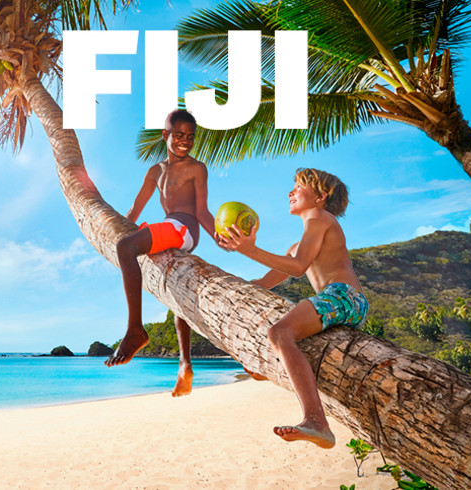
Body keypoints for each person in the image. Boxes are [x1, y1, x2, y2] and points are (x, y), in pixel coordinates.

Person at [218, 168, 368, 448]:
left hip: (344, 296)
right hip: (343, 303)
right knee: (281, 333)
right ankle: (267, 366)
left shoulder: (319, 217)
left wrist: (249, 250)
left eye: (298, 187)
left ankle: (316, 422)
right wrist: (232, 247)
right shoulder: (298, 244)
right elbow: (265, 282)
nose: (290, 192)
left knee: (280, 333)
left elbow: (298, 268)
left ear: (321, 197)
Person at [105, 109, 219, 398]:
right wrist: (118, 228)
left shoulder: (197, 168)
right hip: (173, 229)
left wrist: (218, 235)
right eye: (179, 135)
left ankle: (135, 330)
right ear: (165, 135)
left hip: (185, 228)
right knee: (175, 296)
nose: (185, 142)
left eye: (191, 137)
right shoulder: (155, 171)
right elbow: (135, 208)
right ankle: (185, 364)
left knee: (126, 248)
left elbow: (203, 210)